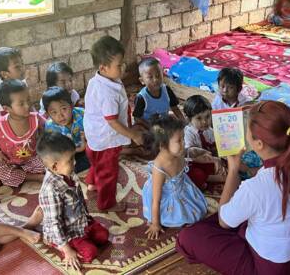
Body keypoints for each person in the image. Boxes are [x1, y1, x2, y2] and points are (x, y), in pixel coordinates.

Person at [176, 101, 290, 275]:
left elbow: (223, 222)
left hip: (270, 269)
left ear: (259, 144)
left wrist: (233, 170)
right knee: (247, 215)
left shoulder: (256, 187)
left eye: (246, 128)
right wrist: (285, 120)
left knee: (189, 237)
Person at [25, 132, 109, 272]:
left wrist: (88, 219)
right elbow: (54, 222)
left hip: (80, 223)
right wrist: (67, 250)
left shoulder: (67, 173)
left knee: (103, 236)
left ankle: (83, 236)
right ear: (55, 167)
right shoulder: (50, 190)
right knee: (90, 253)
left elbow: (80, 201)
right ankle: (53, 242)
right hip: (66, 232)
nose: (75, 162)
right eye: (70, 160)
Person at [83, 36, 143, 211]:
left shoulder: (98, 80)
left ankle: (92, 184)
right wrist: (133, 134)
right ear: (103, 67)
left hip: (94, 136)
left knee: (96, 161)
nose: (123, 67)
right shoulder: (107, 93)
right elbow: (113, 122)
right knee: (108, 172)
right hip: (106, 138)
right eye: (119, 65)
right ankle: (107, 203)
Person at [142, 116, 208, 240]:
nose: (184, 143)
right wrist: (155, 224)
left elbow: (189, 153)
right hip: (163, 194)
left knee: (196, 208)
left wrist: (201, 154)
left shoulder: (178, 152)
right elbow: (156, 200)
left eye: (183, 138)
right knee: (178, 215)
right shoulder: (159, 168)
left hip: (181, 186)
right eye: (179, 140)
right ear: (162, 145)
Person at [0, 79, 45, 187]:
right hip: (9, 163)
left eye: (28, 100)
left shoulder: (35, 118)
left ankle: (21, 175)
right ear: (7, 108)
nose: (27, 105)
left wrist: (42, 142)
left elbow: (46, 127)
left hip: (32, 159)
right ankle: (32, 177)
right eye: (21, 103)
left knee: (51, 161)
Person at [212, 68, 261, 179]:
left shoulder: (244, 101)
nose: (224, 90)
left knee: (247, 154)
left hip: (241, 138)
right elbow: (214, 121)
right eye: (222, 86)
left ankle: (244, 170)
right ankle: (243, 170)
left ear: (238, 89)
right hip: (225, 137)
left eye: (230, 87)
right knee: (226, 156)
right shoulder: (217, 101)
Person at [183, 95, 227, 190]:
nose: (204, 122)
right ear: (188, 119)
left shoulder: (210, 131)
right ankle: (212, 178)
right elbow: (190, 155)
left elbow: (216, 149)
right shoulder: (188, 133)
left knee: (228, 162)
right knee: (194, 174)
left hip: (209, 161)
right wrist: (213, 159)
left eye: (207, 116)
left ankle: (216, 175)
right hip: (194, 163)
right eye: (199, 118)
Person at [42, 87, 90, 173]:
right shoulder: (50, 127)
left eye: (64, 109)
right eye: (54, 112)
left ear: (71, 106)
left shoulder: (82, 114)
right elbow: (58, 151)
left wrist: (87, 142)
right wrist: (80, 149)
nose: (60, 115)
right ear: (48, 114)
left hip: (88, 147)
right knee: (64, 168)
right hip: (68, 155)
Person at [133, 57, 184, 127]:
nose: (155, 80)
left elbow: (175, 108)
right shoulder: (141, 97)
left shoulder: (166, 90)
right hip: (148, 126)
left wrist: (183, 123)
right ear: (142, 80)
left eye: (158, 75)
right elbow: (137, 118)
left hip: (164, 123)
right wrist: (151, 128)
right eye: (150, 77)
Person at [0, 47, 26, 122]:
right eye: (17, 67)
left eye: (22, 64)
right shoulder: (1, 95)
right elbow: (7, 120)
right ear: (4, 74)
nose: (23, 69)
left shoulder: (21, 84)